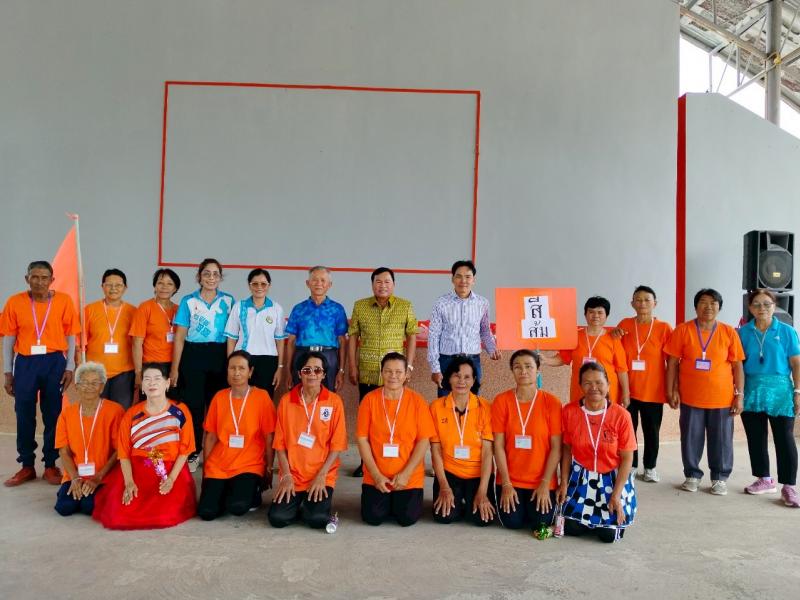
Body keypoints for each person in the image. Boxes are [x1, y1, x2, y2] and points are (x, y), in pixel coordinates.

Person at [1, 260, 81, 486]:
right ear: (27, 279)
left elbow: (71, 336)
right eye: (34, 277)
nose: (39, 282)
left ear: (52, 280)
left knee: (53, 414)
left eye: (44, 277)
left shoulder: (64, 301)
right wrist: (8, 372)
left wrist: (70, 367)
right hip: (25, 363)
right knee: (24, 413)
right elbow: (8, 339)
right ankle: (26, 465)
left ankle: (50, 465)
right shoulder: (15, 302)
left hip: (54, 361)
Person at [92, 363, 196, 529]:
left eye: (157, 379)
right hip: (138, 467)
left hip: (169, 468)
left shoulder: (180, 412)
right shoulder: (131, 414)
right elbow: (124, 453)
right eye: (147, 379)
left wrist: (171, 479)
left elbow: (185, 450)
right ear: (142, 385)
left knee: (164, 515)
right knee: (120, 515)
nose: (152, 383)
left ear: (167, 383)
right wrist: (129, 482)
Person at [666, 288, 745, 496]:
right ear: (695, 306)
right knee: (690, 438)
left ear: (719, 307)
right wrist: (672, 389)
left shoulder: (728, 332)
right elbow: (672, 362)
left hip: (722, 398)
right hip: (691, 397)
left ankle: (719, 478)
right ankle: (692, 475)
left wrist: (739, 395)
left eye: (713, 303)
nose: (708, 307)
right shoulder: (683, 330)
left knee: (722, 440)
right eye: (703, 302)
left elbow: (737, 366)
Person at [349, 267, 418, 476]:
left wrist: (409, 366)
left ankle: (393, 461)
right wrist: (352, 366)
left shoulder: (405, 306)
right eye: (378, 282)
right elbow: (353, 336)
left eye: (387, 282)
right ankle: (366, 463)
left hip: (394, 375)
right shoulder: (360, 306)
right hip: (368, 372)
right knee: (369, 420)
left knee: (394, 419)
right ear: (372, 284)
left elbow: (412, 336)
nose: (383, 285)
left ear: (393, 285)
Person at [558, 362, 637, 543]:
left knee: (607, 536)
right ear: (580, 386)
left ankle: (605, 517)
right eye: (587, 383)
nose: (593, 387)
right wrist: (563, 482)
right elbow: (567, 449)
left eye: (599, 382)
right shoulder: (569, 411)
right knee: (572, 528)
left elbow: (627, 459)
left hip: (612, 480)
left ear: (608, 385)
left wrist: (616, 495)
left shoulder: (622, 415)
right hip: (581, 478)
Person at [268, 352, 348, 529]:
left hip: (321, 474)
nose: (312, 374)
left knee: (316, 519)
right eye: (307, 370)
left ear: (324, 375)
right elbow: (279, 445)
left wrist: (322, 475)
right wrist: (286, 476)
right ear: (299, 374)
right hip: (294, 475)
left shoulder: (334, 402)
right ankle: (300, 505)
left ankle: (309, 508)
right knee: (277, 518)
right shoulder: (286, 401)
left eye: (317, 370)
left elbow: (337, 445)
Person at [737, 289, 800, 507]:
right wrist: (738, 393)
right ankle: (764, 479)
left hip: (780, 391)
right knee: (756, 437)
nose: (761, 308)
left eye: (767, 304)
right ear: (750, 307)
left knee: (784, 438)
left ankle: (789, 486)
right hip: (752, 389)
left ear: (774, 306)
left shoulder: (787, 331)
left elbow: (796, 364)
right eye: (756, 304)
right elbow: (738, 365)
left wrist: (797, 392)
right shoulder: (743, 333)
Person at [171, 258, 235, 473]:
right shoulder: (188, 301)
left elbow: (233, 336)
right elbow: (179, 337)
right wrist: (175, 368)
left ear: (220, 277)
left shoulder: (228, 301)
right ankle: (193, 451)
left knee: (218, 406)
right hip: (193, 355)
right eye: (206, 273)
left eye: (215, 274)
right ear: (199, 277)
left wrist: (231, 364)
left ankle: (217, 451)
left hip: (219, 355)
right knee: (194, 407)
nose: (211, 278)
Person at [357, 353, 435, 526]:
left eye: (398, 372)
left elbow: (423, 440)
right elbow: (362, 439)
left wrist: (406, 474)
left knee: (407, 518)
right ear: (381, 373)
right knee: (373, 517)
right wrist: (376, 475)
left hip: (409, 477)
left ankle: (396, 500)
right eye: (388, 371)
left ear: (406, 374)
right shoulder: (369, 400)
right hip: (377, 476)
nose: (393, 376)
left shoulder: (417, 401)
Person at [198, 351, 276, 520]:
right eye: (232, 368)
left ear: (250, 372)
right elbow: (211, 436)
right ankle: (224, 489)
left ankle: (251, 491)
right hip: (220, 463)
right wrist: (206, 470)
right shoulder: (219, 397)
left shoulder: (262, 397)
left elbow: (269, 436)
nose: (236, 373)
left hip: (249, 463)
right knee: (206, 512)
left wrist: (268, 468)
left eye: (241, 368)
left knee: (238, 507)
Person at [492, 350, 562, 530]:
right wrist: (506, 484)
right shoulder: (501, 401)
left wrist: (545, 483)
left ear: (538, 370)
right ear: (512, 371)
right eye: (517, 367)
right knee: (512, 523)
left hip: (542, 480)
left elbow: (556, 448)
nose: (523, 371)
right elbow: (498, 446)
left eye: (529, 366)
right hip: (511, 480)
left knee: (541, 523)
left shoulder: (552, 403)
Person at [614, 285, 673, 482]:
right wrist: (614, 335)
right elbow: (616, 353)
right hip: (627, 390)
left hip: (653, 391)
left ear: (655, 303)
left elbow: (671, 361)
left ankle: (650, 467)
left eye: (647, 300)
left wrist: (672, 388)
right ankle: (631, 466)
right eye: (638, 300)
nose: (642, 303)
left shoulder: (664, 328)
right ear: (632, 303)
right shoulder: (624, 325)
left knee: (652, 431)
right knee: (628, 432)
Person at [429, 356, 495, 526]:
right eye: (456, 376)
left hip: (477, 474)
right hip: (450, 472)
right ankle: (458, 502)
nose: (461, 381)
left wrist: (482, 491)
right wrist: (444, 486)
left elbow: (488, 453)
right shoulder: (436, 407)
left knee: (483, 520)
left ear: (474, 380)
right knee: (445, 517)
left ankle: (468, 501)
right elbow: (435, 450)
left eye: (467, 377)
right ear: (449, 378)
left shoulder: (485, 407)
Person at [54, 362, 124, 516]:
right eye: (84, 382)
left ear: (102, 387)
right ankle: (72, 490)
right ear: (76, 387)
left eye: (94, 383)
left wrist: (98, 477)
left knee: (89, 507)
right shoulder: (67, 413)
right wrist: (74, 478)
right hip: (76, 474)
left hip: (104, 475)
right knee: (64, 508)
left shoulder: (115, 411)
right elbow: (63, 451)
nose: (89, 387)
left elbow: (119, 451)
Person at [427, 260, 501, 398]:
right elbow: (433, 335)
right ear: (452, 279)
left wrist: (491, 349)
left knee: (472, 402)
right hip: (447, 360)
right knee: (445, 402)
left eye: (468, 276)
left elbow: (484, 330)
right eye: (459, 276)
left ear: (473, 280)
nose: (463, 281)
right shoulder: (441, 303)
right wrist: (435, 368)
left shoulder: (482, 303)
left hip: (473, 360)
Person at [542, 296, 629, 406]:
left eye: (600, 312)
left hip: (605, 391)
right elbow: (562, 358)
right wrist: (545, 360)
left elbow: (622, 369)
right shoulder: (575, 336)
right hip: (580, 389)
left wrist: (625, 394)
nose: (595, 315)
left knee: (605, 416)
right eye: (591, 312)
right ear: (585, 314)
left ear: (606, 315)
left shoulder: (613, 338)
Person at [224, 268, 287, 398]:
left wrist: (280, 367)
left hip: (268, 361)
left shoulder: (276, 308)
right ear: (249, 285)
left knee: (265, 398)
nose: (259, 287)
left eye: (263, 284)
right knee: (241, 397)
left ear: (269, 285)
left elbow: (280, 341)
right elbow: (231, 339)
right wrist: (231, 364)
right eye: (255, 284)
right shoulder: (239, 306)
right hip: (243, 359)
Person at [283, 266, 348, 392]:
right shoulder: (298, 309)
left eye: (323, 280)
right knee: (300, 395)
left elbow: (342, 341)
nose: (319, 283)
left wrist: (341, 370)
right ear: (308, 283)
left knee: (327, 396)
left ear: (329, 285)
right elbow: (291, 341)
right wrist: (288, 370)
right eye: (315, 280)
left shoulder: (337, 309)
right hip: (302, 355)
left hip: (329, 357)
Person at [83, 269, 136, 408]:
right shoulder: (89, 310)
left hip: (124, 372)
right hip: (95, 372)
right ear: (102, 287)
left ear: (125, 288)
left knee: (120, 411)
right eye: (109, 285)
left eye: (118, 285)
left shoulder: (133, 312)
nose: (113, 288)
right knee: (95, 412)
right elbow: (80, 343)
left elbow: (137, 343)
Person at [129, 268, 181, 397]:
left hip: (174, 365)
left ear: (175, 288)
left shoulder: (179, 310)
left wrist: (175, 368)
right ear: (155, 286)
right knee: (150, 403)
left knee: (171, 404)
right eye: (160, 283)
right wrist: (138, 372)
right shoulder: (145, 307)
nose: (164, 287)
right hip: (150, 366)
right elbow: (136, 343)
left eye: (169, 284)